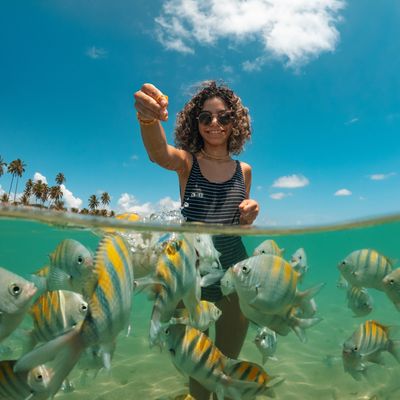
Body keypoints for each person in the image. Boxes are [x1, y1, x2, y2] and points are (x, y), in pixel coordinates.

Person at [134, 80, 259, 400]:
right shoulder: (187, 163)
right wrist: (148, 119)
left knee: (225, 365)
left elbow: (239, 227)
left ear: (236, 123)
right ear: (196, 122)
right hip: (192, 279)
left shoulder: (243, 170)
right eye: (206, 117)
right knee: (200, 370)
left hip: (235, 275)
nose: (215, 123)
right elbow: (159, 154)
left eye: (223, 117)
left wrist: (249, 213)